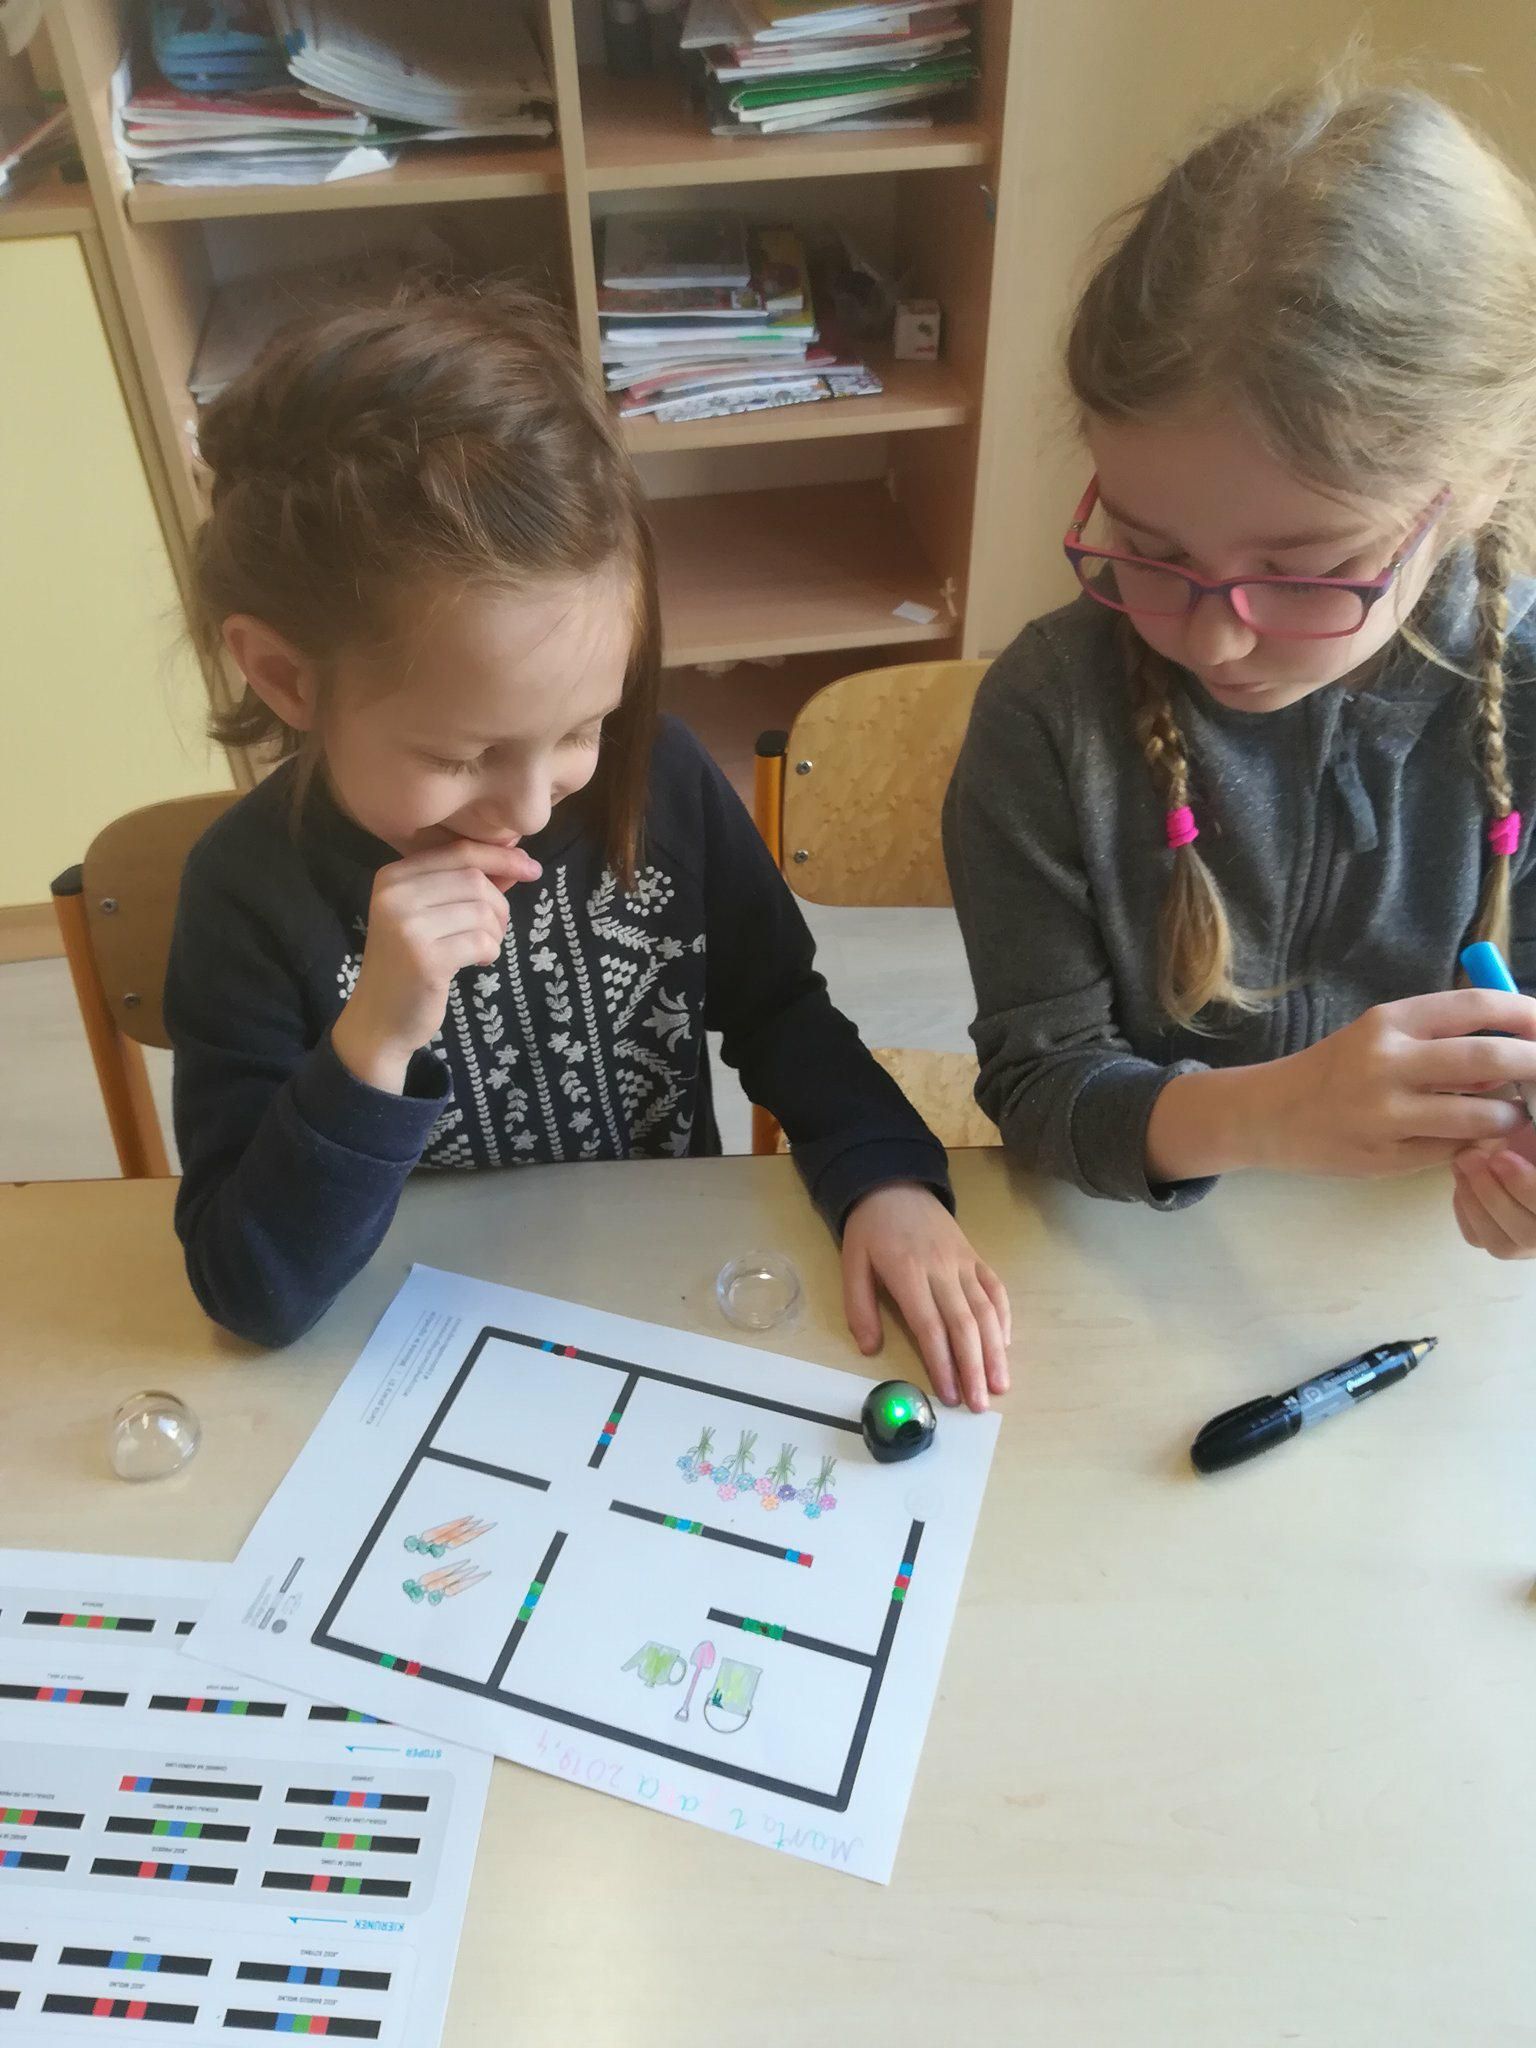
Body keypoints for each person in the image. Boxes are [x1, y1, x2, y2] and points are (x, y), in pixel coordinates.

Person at [165, 283, 1010, 1404]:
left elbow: (780, 1011)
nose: (529, 806)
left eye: (578, 729)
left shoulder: (660, 783)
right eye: (464, 755)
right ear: (285, 677)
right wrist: (373, 1041)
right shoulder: (243, 896)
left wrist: (884, 1177)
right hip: (412, 1355)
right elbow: (251, 1293)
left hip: (666, 1306)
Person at [943, 79, 1536, 1257]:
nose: (1214, 641)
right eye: (1150, 549)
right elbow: (1042, 1083)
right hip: (1149, 1254)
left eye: (1310, 570)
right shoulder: (1051, 715)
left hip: (1406, 1261)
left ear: (1478, 482)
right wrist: (1273, 1114)